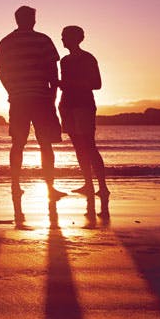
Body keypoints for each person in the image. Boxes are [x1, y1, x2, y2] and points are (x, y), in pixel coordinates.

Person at [0, 6, 66, 209]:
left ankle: (15, 185)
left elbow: (0, 71)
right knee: (45, 143)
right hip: (41, 98)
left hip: (19, 100)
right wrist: (52, 95)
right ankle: (49, 187)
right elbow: (53, 70)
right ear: (32, 19)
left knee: (18, 143)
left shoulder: (6, 42)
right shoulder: (43, 40)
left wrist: (11, 89)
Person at [59, 25, 109, 199]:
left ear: (76, 38)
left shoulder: (88, 58)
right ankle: (88, 184)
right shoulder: (64, 61)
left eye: (65, 36)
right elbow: (65, 84)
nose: (62, 39)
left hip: (83, 105)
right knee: (78, 147)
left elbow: (97, 84)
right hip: (67, 105)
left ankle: (102, 186)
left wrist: (70, 84)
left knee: (89, 145)